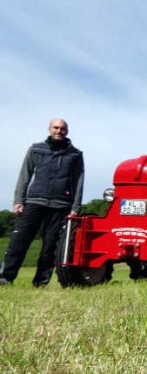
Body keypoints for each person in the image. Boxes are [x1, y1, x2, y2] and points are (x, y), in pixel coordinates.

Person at [0, 119, 84, 287]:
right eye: (56, 127)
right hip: (34, 201)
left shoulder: (75, 154)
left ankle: (41, 282)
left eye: (62, 128)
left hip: (61, 205)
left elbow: (79, 182)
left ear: (67, 131)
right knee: (19, 241)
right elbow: (25, 175)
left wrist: (75, 207)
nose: (59, 131)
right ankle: (5, 278)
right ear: (49, 129)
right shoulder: (36, 149)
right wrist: (18, 200)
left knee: (50, 246)